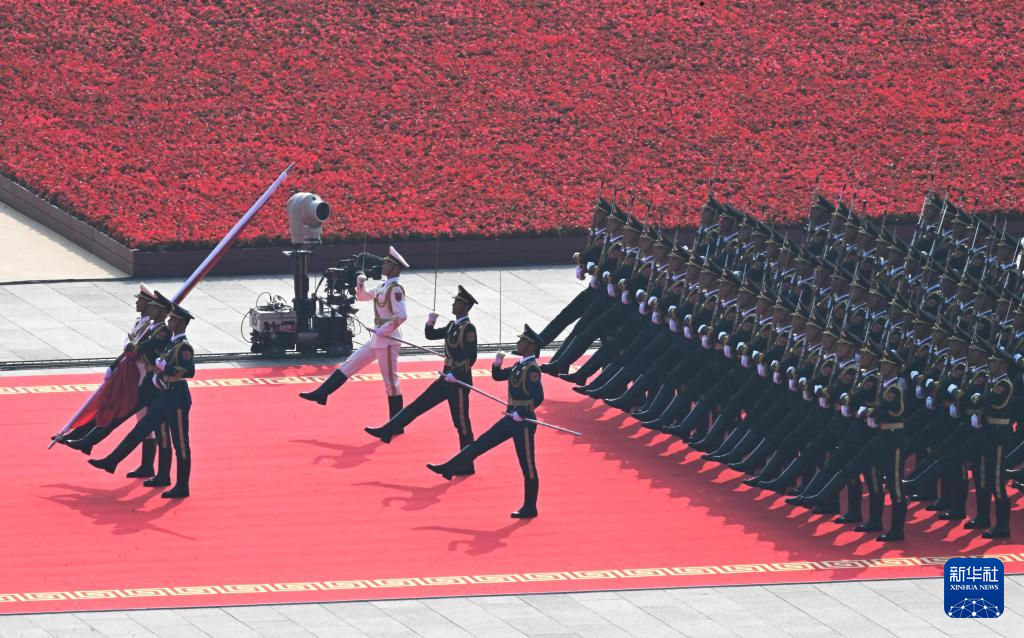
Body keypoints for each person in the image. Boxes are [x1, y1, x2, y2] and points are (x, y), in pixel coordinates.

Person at [427, 325, 545, 518]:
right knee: (481, 443)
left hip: (523, 423)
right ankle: (450, 467)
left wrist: (523, 413)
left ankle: (530, 507)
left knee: (528, 465)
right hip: (510, 417)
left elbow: (538, 397)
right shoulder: (520, 365)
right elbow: (498, 377)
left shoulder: (532, 369)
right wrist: (497, 364)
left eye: (522, 341)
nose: (518, 343)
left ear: (530, 345)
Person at [88, 304, 197, 498]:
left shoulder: (184, 346)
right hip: (164, 394)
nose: (170, 320)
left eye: (173, 318)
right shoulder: (172, 343)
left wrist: (166, 368)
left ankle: (182, 486)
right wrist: (159, 373)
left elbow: (189, 371)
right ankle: (114, 461)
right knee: (143, 429)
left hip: (178, 398)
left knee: (180, 443)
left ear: (181, 323)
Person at [364, 286, 479, 463]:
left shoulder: (468, 329)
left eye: (456, 302)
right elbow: (431, 335)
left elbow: (471, 357)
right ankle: (388, 430)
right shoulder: (452, 325)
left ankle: (466, 463)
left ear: (465, 307)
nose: (453, 305)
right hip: (446, 377)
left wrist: (456, 374)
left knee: (461, 424)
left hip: (458, 382)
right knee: (417, 406)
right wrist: (430, 321)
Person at [299, 246, 410, 417]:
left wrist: (384, 329)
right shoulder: (383, 285)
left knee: (391, 383)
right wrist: (360, 283)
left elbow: (401, 315)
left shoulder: (395, 289)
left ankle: (396, 423)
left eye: (387, 263)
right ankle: (322, 393)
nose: (383, 265)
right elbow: (362, 296)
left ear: (395, 267)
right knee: (349, 364)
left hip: (388, 340)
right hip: (378, 338)